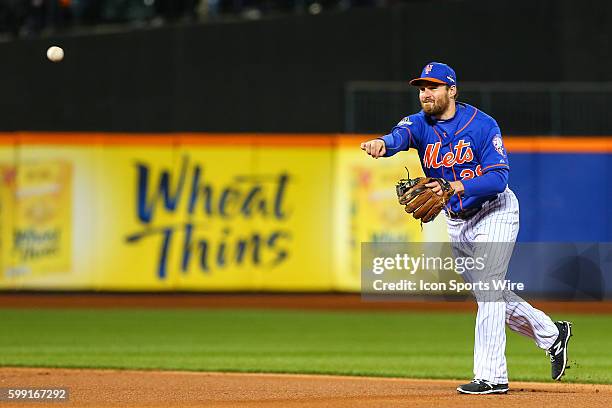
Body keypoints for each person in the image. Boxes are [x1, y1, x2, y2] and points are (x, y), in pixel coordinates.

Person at [360, 62, 573, 395]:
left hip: (495, 211)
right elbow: (398, 137)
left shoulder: (482, 125)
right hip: (458, 221)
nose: (425, 93)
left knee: (489, 289)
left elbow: (498, 178)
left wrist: (452, 186)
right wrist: (381, 144)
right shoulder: (418, 124)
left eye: (432, 87)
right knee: (491, 295)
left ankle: (492, 377)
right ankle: (552, 334)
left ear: (452, 90)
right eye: (421, 88)